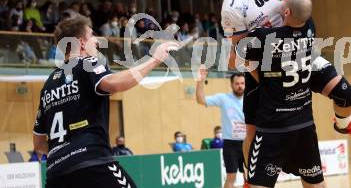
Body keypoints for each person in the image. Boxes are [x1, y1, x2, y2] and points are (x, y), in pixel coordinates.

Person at [219, 0, 351, 173]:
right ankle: (252, 178)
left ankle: (343, 125)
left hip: (301, 54)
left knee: (346, 94)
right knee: (252, 130)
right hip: (266, 68)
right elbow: (241, 51)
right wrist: (264, 83)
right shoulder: (231, 6)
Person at [32, 15, 178, 188]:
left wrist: (66, 152)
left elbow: (38, 144)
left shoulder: (48, 84)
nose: (97, 41)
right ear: (82, 43)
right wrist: (155, 59)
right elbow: (114, 84)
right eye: (92, 35)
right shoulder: (87, 63)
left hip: (56, 174)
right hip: (92, 164)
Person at [242, 0, 324, 188]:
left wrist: (264, 80)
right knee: (315, 184)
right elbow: (301, 9)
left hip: (273, 127)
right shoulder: (310, 30)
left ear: (286, 12)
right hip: (304, 124)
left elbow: (244, 60)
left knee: (258, 184)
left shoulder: (263, 36)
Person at [195, 71, 245, 188]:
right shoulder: (224, 98)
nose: (240, 86)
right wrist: (200, 81)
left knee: (248, 176)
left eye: (242, 83)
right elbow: (200, 100)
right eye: (237, 83)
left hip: (248, 143)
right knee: (231, 177)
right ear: (231, 84)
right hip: (230, 144)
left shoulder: (250, 99)